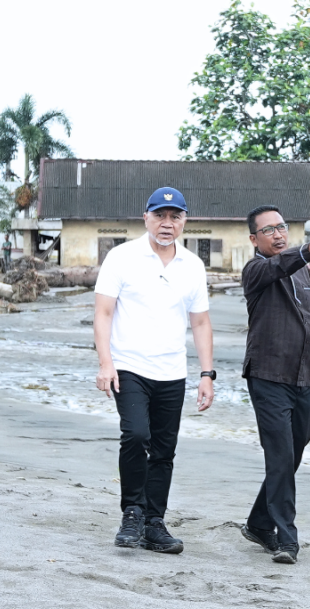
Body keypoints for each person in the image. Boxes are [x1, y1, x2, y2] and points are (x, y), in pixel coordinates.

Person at [93, 187, 214, 555]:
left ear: (184, 222)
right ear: (145, 218)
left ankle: (154, 522)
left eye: (174, 217)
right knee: (135, 434)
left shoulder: (192, 265)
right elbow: (103, 313)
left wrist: (206, 374)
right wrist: (105, 363)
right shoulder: (122, 257)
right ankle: (132, 512)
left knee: (164, 449)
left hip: (172, 371)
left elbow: (201, 323)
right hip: (128, 366)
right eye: (160, 216)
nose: (167, 223)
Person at [238, 205, 310, 564]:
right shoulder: (255, 270)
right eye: (268, 230)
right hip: (268, 376)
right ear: (254, 239)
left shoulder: (301, 273)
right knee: (281, 457)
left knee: (294, 453)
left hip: (303, 376)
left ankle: (257, 523)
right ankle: (287, 540)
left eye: (282, 227)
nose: (278, 233)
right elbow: (278, 266)